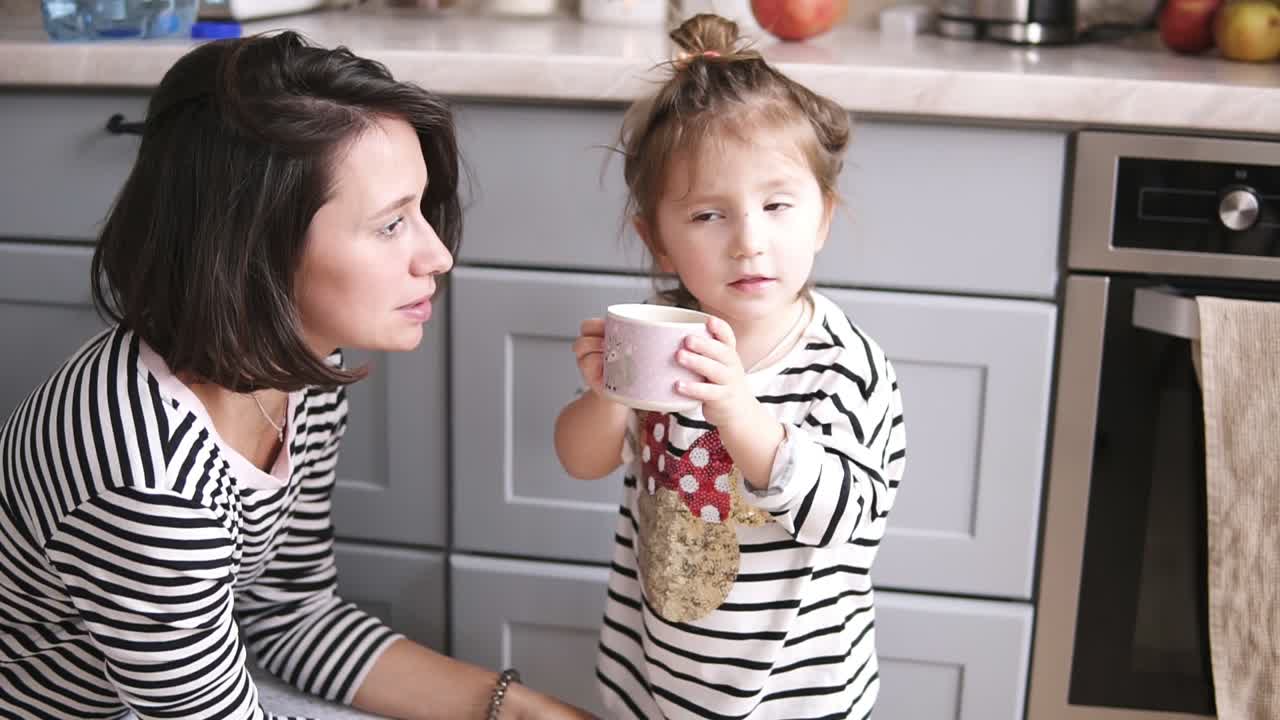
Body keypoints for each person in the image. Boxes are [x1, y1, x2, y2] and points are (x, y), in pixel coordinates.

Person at [0, 31, 589, 720]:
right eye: (390, 225)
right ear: (255, 242)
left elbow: (289, 614)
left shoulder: (295, 371)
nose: (436, 256)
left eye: (420, 211)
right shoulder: (149, 481)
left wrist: (521, 708)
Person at [553, 14, 908, 719]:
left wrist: (740, 414)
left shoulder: (844, 366)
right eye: (708, 217)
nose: (749, 242)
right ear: (657, 240)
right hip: (651, 679)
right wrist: (606, 395)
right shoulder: (660, 340)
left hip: (798, 697)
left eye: (778, 206)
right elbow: (579, 459)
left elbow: (846, 516)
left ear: (822, 218)